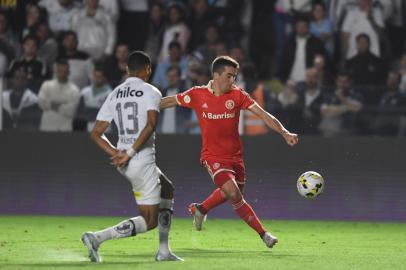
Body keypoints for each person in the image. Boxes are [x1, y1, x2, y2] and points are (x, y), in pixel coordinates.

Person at [160, 56, 298, 248]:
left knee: (233, 193)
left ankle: (201, 208)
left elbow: (263, 114)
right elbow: (170, 101)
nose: (232, 80)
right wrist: (147, 108)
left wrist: (284, 132)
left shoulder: (238, 95)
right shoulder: (197, 94)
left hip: (236, 157)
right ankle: (264, 234)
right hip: (212, 157)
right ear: (216, 75)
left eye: (234, 76)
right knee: (233, 192)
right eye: (229, 76)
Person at [81, 51, 182, 262]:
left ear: (127, 69)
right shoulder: (151, 91)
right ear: (148, 69)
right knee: (149, 220)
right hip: (140, 160)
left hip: (127, 160)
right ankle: (97, 238)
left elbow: (96, 133)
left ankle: (164, 251)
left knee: (167, 188)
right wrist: (130, 153)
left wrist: (117, 153)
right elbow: (151, 124)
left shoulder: (115, 92)